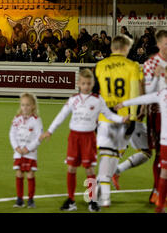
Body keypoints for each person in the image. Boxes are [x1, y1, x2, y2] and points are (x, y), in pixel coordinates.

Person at [40, 69, 128, 212]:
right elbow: (61, 116)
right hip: (74, 137)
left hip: (88, 138)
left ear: (93, 83)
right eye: (83, 83)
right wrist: (50, 131)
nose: (86, 86)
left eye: (88, 83)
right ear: (78, 84)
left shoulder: (98, 100)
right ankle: (71, 200)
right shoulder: (73, 99)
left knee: (89, 168)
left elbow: (109, 115)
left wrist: (121, 119)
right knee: (71, 168)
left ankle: (92, 201)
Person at [94, 35, 141, 207]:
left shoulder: (100, 66)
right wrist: (133, 119)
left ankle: (97, 193)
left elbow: (95, 93)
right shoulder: (132, 66)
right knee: (111, 159)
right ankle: (102, 197)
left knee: (107, 158)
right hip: (124, 118)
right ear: (124, 48)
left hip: (104, 118)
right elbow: (135, 95)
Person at [114, 66, 167, 213]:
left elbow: (144, 98)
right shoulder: (158, 91)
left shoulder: (158, 92)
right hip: (131, 122)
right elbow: (144, 97)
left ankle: (159, 200)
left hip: (125, 121)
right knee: (149, 156)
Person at [143, 29, 167, 205]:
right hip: (158, 112)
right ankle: (157, 190)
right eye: (165, 43)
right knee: (160, 153)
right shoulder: (150, 63)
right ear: (158, 44)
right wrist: (157, 76)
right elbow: (148, 91)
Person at [9, 93, 43, 209]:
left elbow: (39, 137)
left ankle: (31, 199)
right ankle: (19, 199)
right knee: (19, 173)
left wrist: (28, 148)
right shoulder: (17, 118)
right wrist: (16, 148)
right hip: (18, 152)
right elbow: (12, 134)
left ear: (33, 106)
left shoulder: (36, 120)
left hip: (30, 153)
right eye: (23, 105)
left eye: (28, 105)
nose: (25, 107)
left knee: (30, 174)